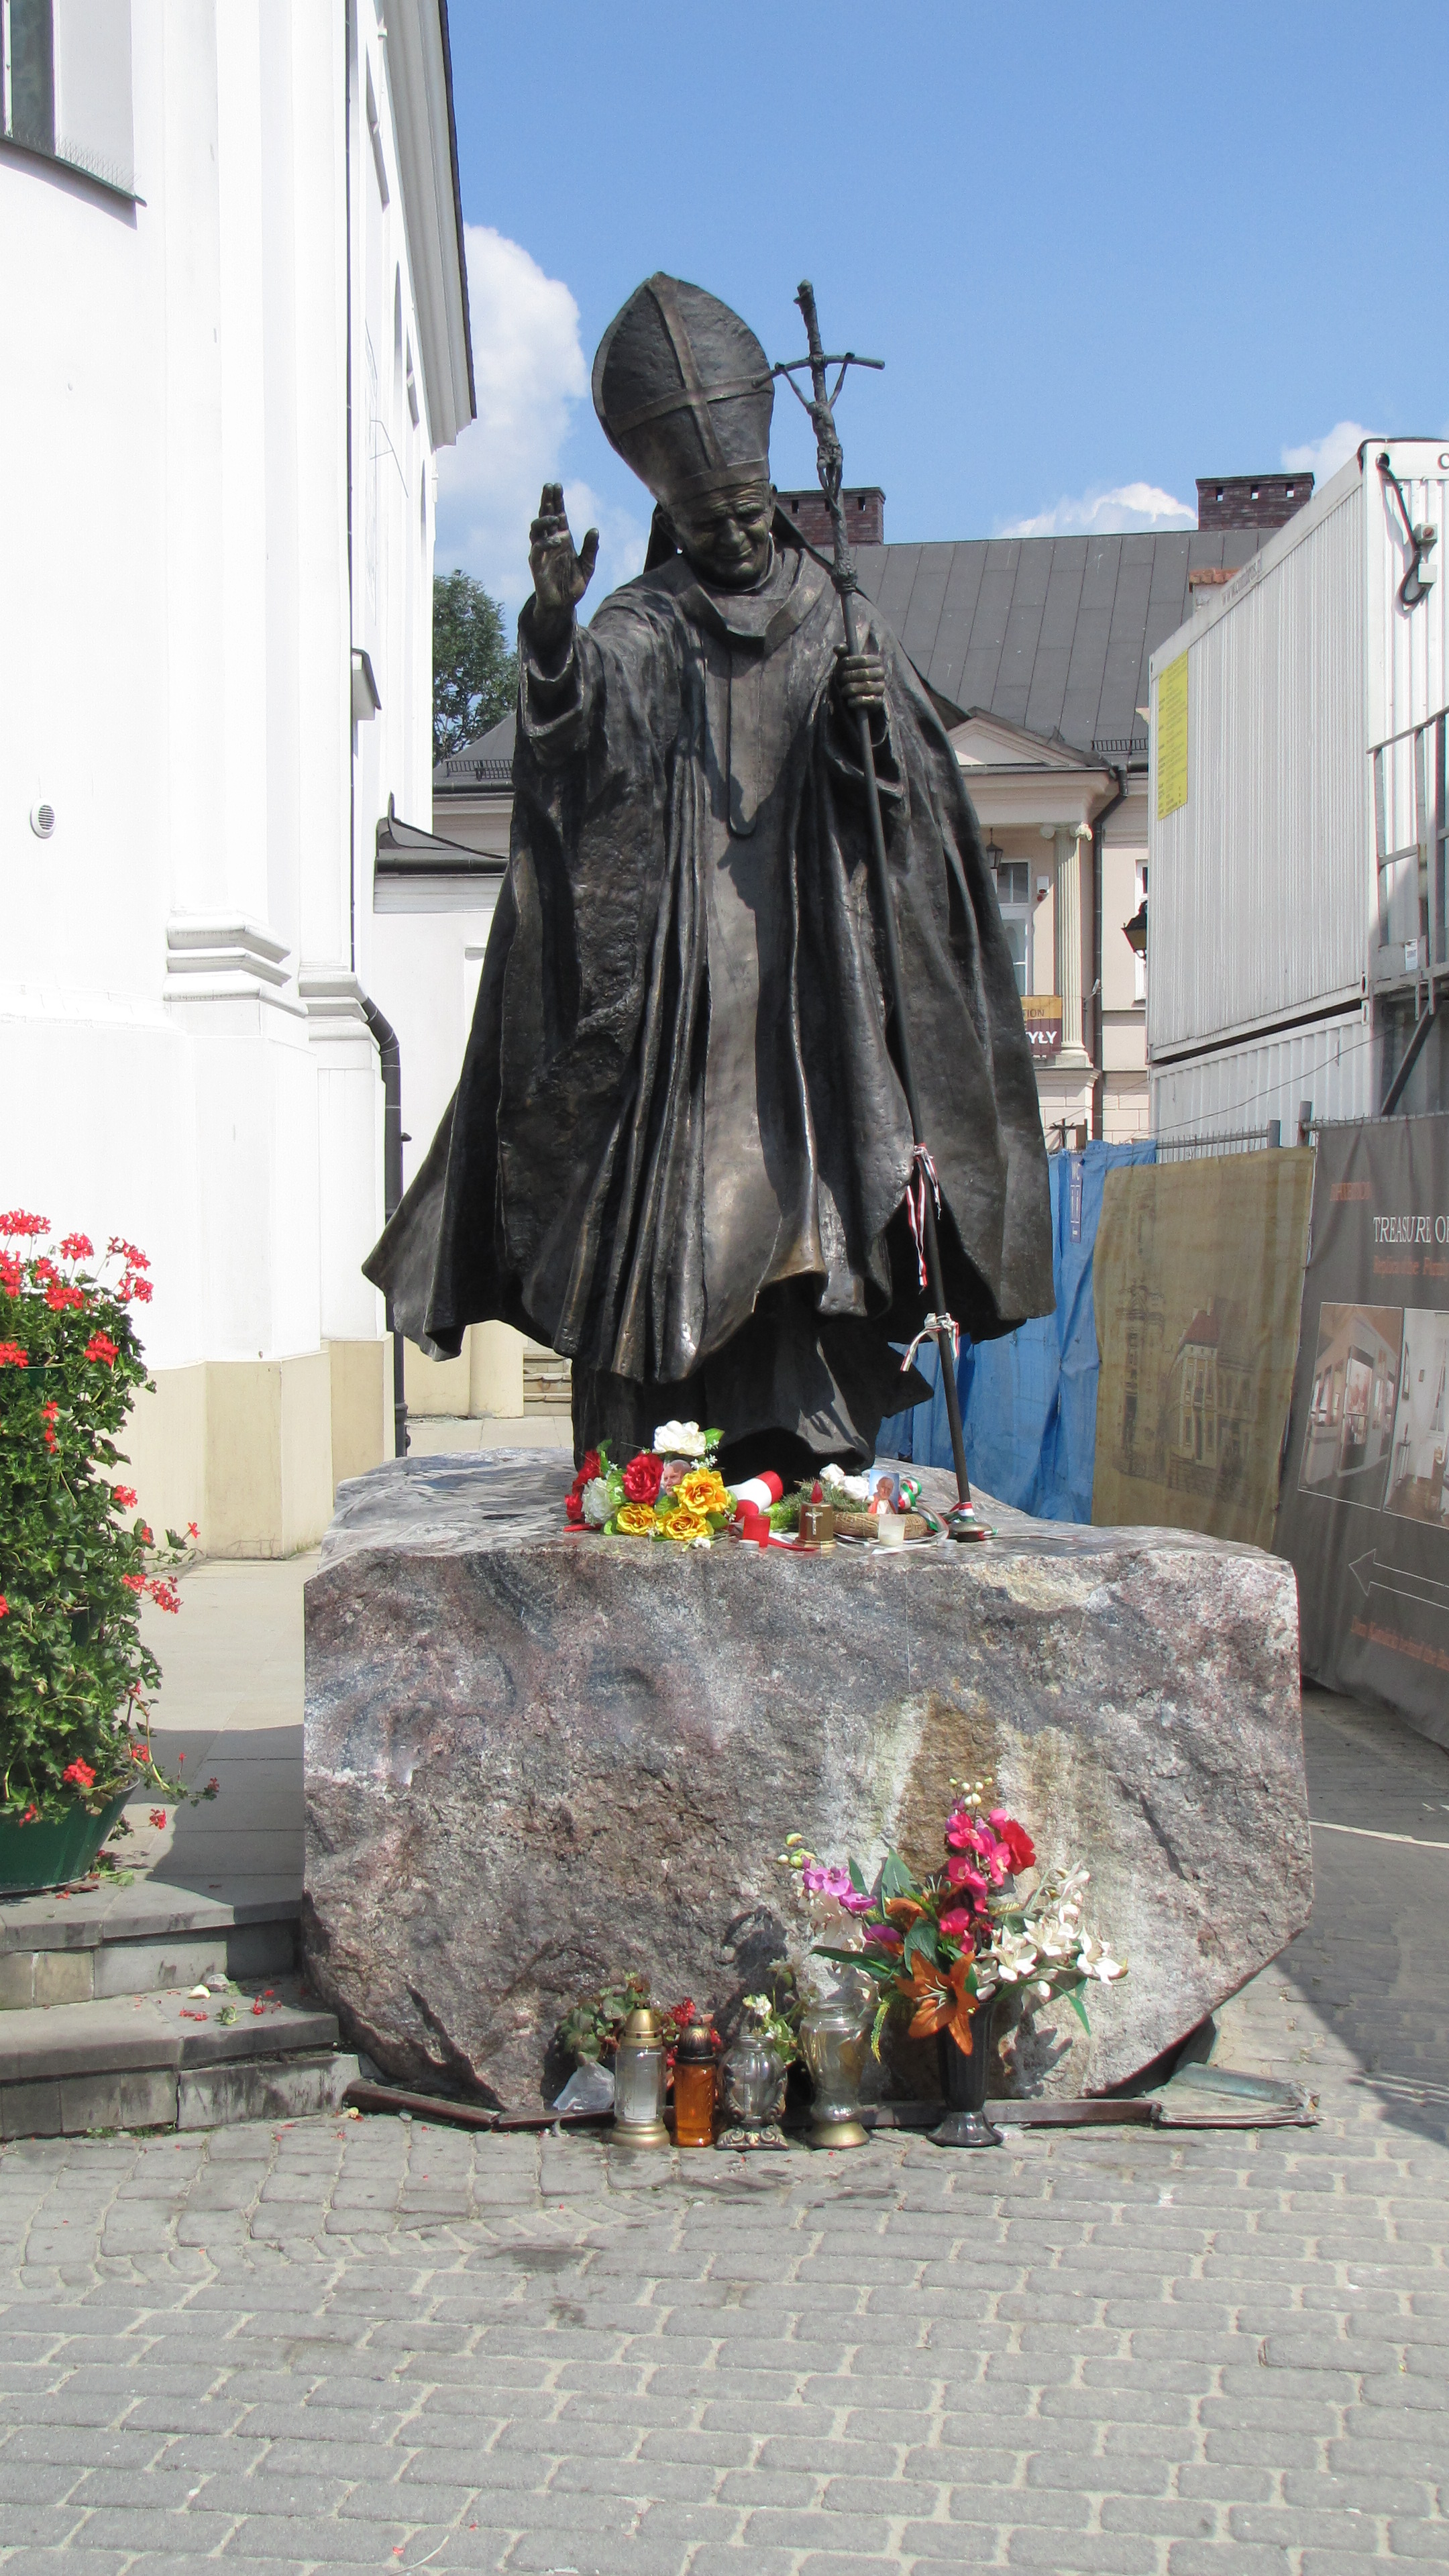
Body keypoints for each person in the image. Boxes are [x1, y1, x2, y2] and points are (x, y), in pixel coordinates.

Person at [367, 275, 1051, 1481]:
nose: (729, 539)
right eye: (701, 522)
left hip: (813, 983)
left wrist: (868, 733)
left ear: (771, 494)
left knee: (817, 1196)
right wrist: (550, 637)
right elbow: (580, 728)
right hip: (684, 986)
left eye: (741, 513)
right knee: (674, 1206)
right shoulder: (652, 618)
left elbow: (914, 822)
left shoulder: (841, 617)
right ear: (668, 517)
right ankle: (652, 1445)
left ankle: (809, 1438)